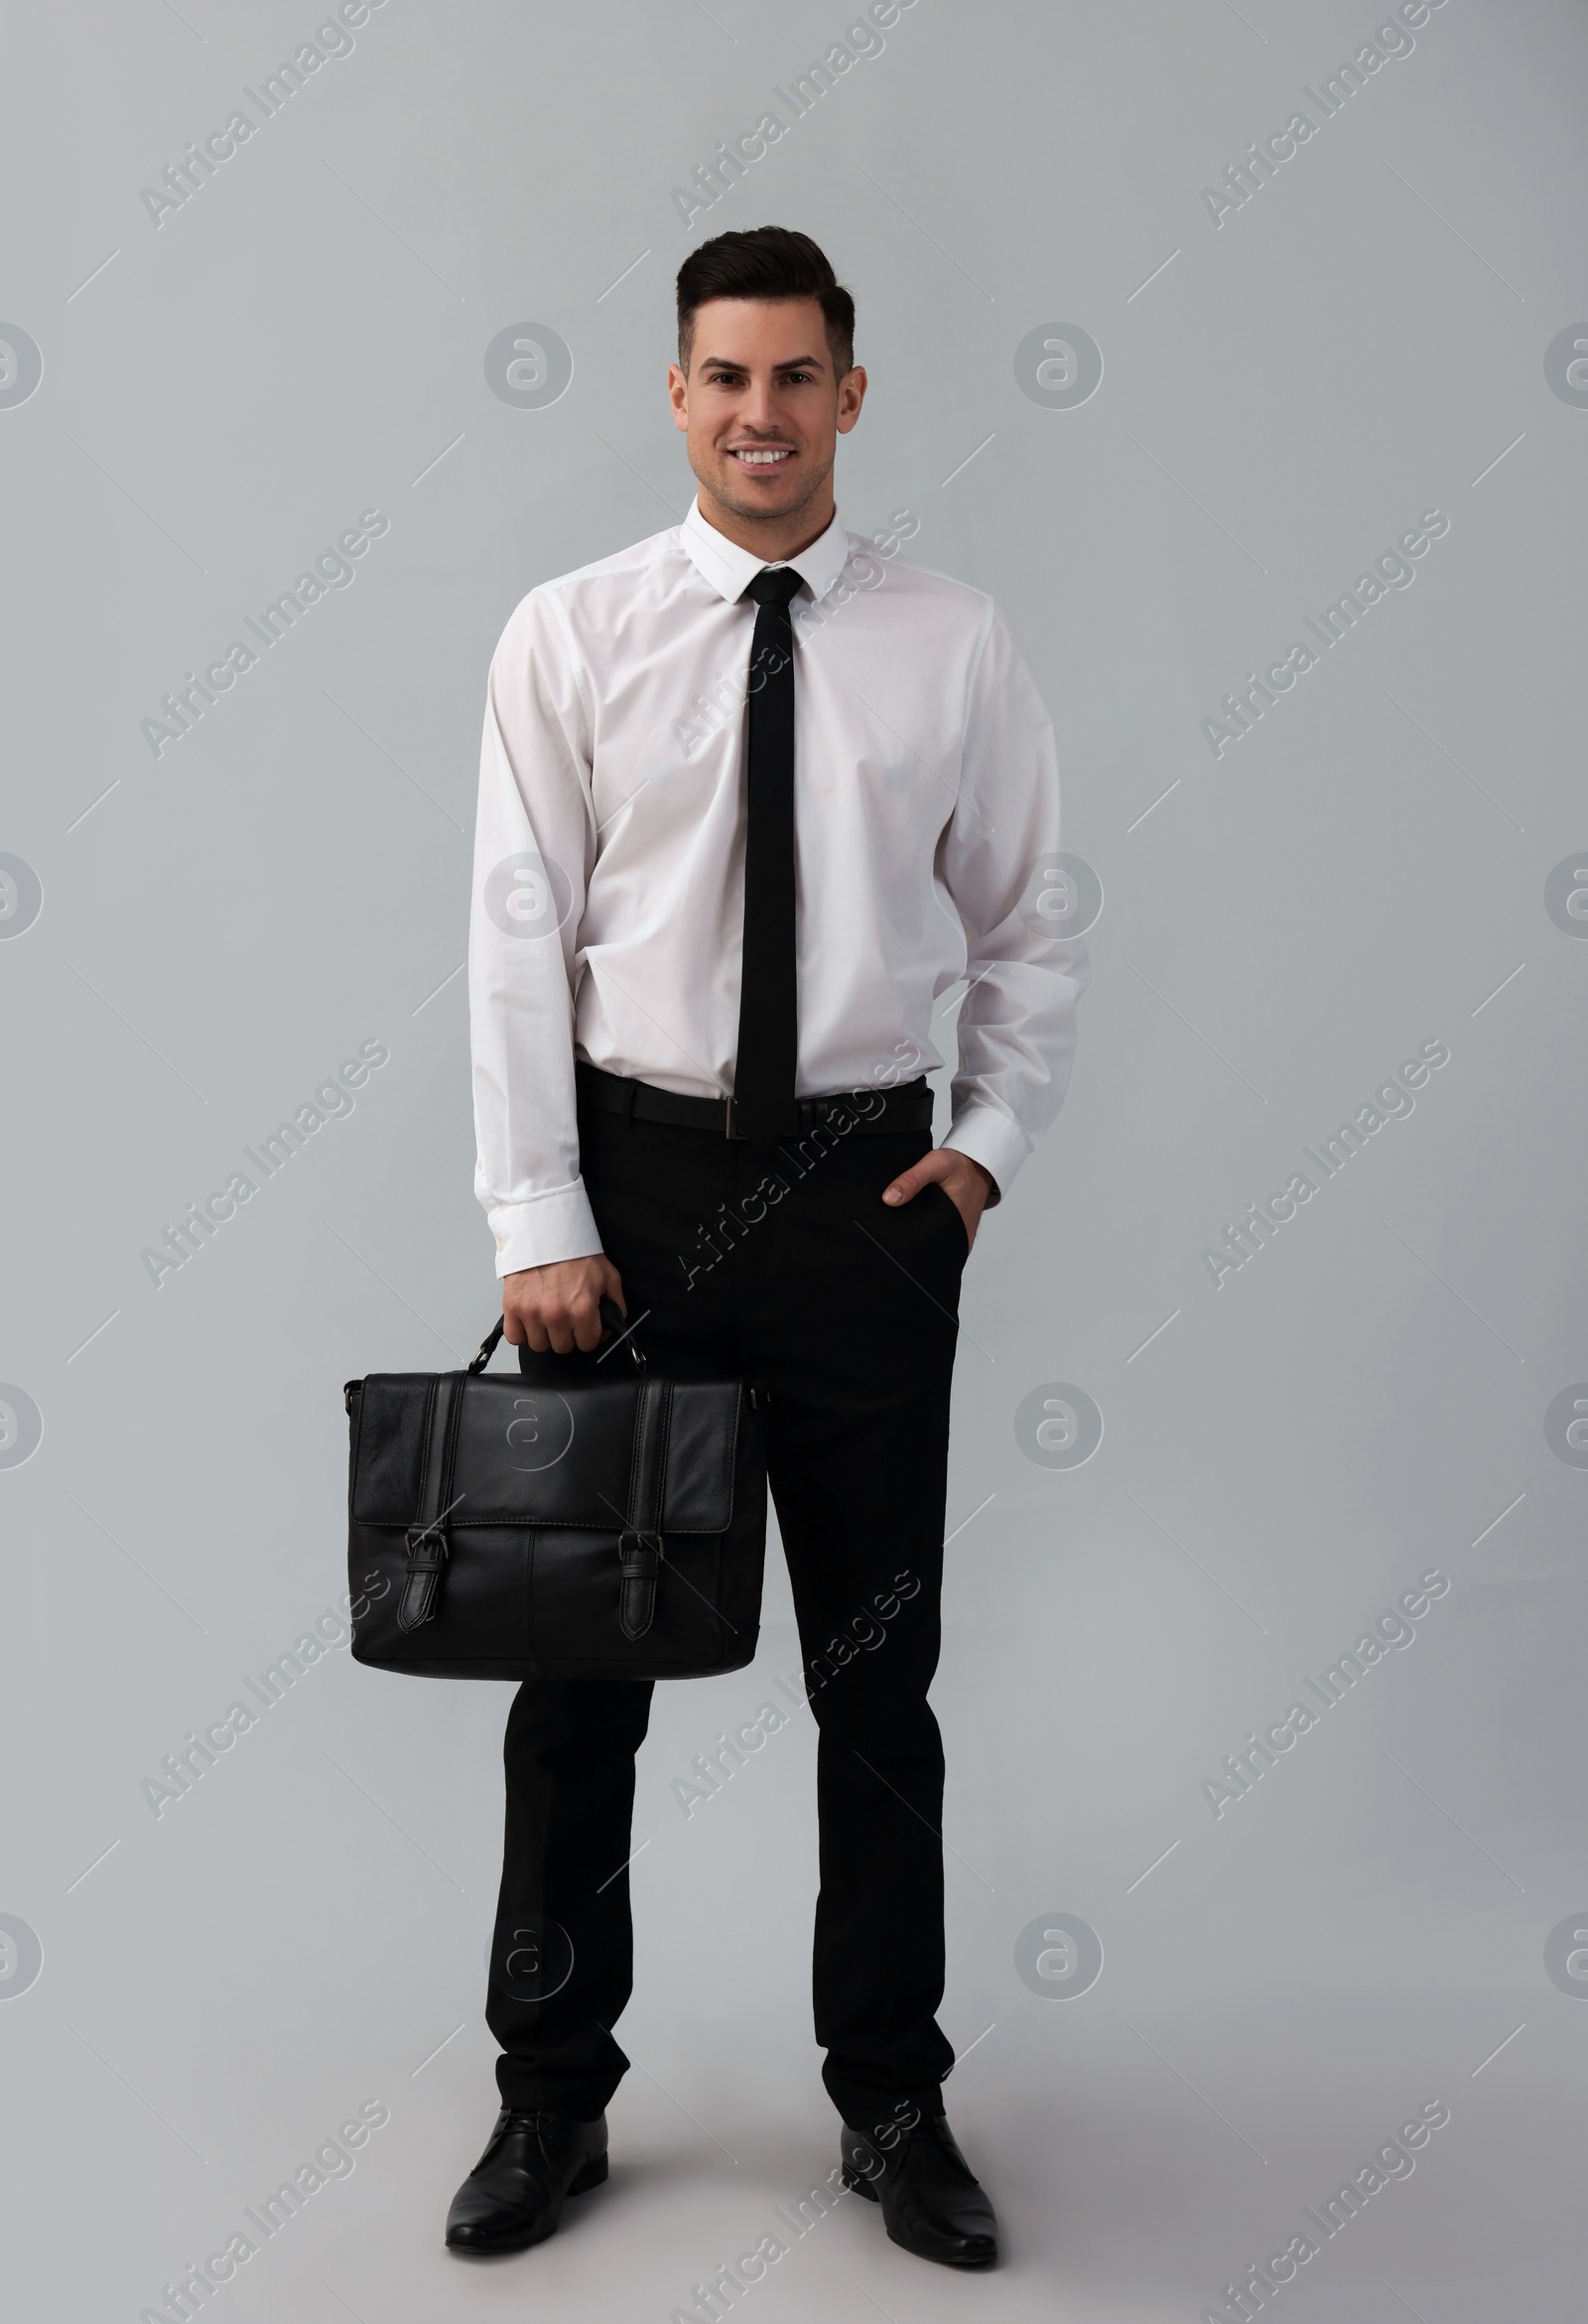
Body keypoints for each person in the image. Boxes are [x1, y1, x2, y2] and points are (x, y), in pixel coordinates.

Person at [450, 224, 1086, 2271]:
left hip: (858, 1208)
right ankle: (548, 2101)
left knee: (873, 1677)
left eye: (794, 376)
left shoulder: (953, 640)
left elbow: (1028, 921)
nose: (757, 414)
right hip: (623, 1209)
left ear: (849, 395)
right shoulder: (568, 631)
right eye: (722, 377)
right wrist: (536, 1215)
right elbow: (510, 935)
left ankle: (889, 2100)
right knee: (575, 1684)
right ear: (671, 394)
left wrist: (980, 1152)